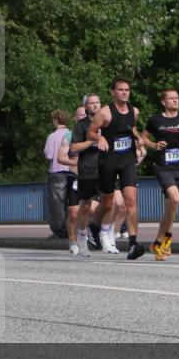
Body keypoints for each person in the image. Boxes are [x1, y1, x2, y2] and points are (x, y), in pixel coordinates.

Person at [89, 77, 147, 261]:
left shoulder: (134, 111)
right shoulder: (105, 113)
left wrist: (137, 137)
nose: (124, 93)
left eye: (127, 90)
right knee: (107, 203)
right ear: (112, 92)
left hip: (127, 160)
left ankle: (133, 245)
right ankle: (94, 226)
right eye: (121, 89)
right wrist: (100, 138)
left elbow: (132, 126)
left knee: (131, 201)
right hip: (109, 161)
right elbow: (90, 132)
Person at [143, 88, 179, 260]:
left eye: (177, 98)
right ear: (163, 102)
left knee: (171, 207)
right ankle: (168, 236)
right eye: (171, 98)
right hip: (163, 167)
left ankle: (158, 242)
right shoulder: (155, 120)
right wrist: (154, 145)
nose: (175, 100)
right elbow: (142, 139)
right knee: (176, 199)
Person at [72, 95, 103, 257]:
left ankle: (103, 232)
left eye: (97, 102)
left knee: (112, 202)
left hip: (106, 167)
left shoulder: (106, 123)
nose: (95, 105)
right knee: (85, 204)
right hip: (87, 168)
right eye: (92, 103)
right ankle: (82, 237)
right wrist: (91, 141)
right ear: (86, 107)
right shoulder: (81, 125)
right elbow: (74, 148)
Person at [57, 106, 85, 255]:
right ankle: (73, 241)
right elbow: (60, 158)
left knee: (96, 209)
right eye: (80, 115)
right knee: (73, 212)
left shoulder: (96, 135)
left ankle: (94, 234)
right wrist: (76, 162)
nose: (83, 116)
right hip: (74, 177)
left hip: (93, 177)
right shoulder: (69, 136)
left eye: (85, 114)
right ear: (75, 118)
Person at [43, 109, 70, 239]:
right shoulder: (72, 134)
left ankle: (60, 230)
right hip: (72, 171)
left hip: (57, 171)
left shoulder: (52, 136)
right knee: (71, 201)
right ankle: (72, 228)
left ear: (56, 120)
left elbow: (49, 155)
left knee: (57, 203)